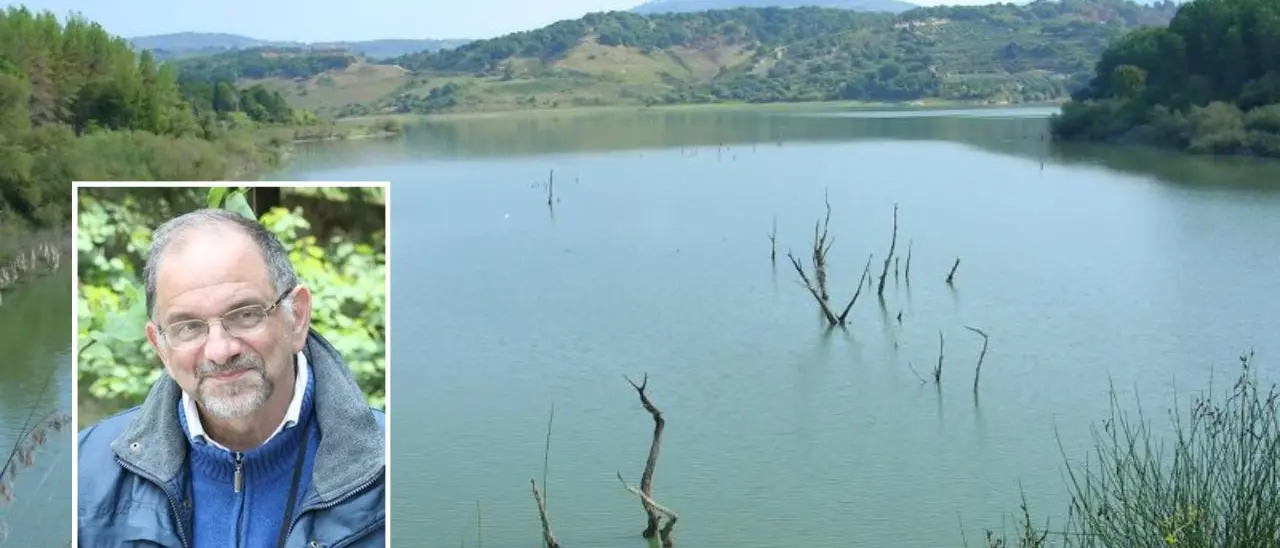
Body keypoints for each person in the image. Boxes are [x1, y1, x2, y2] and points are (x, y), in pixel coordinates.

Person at [77, 207, 386, 548]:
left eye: (245, 315)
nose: (220, 351)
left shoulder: (397, 471)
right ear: (160, 347)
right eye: (188, 327)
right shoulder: (84, 475)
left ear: (297, 317)